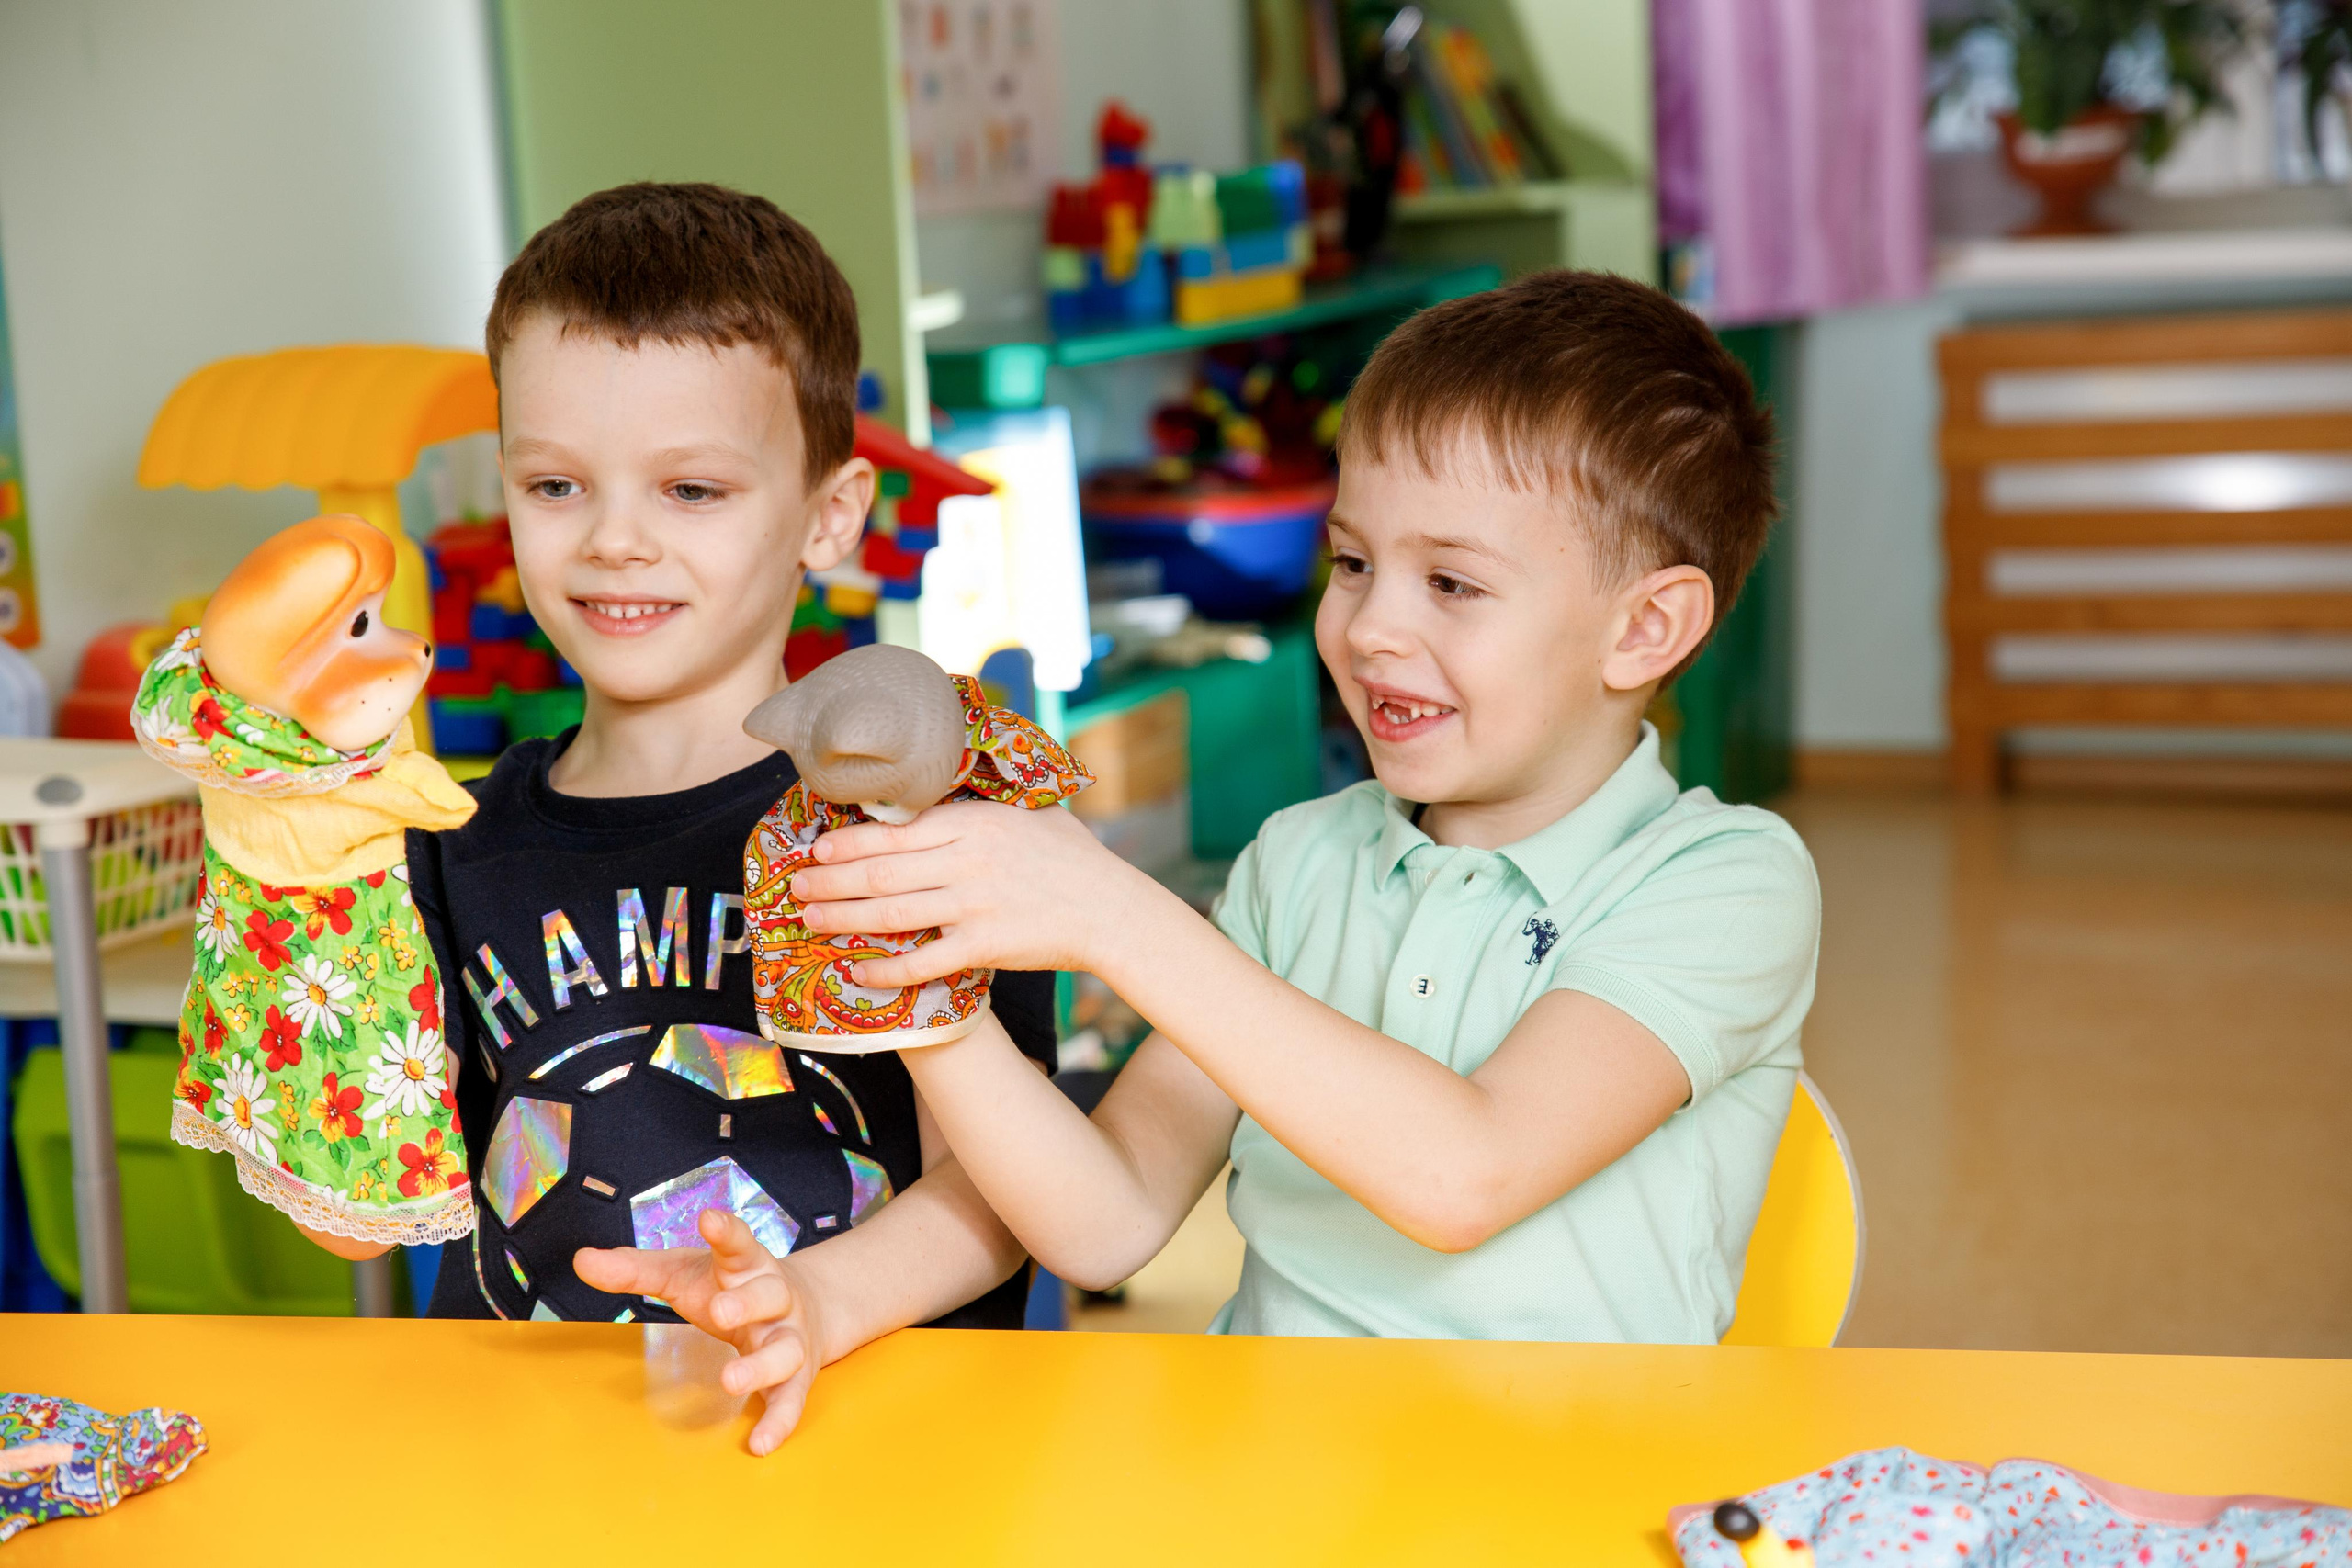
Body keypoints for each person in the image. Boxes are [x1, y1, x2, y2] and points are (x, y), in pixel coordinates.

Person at [789, 270, 1821, 1343]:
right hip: (1285, 1472)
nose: (1369, 626)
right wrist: (906, 974)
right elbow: (1106, 1224)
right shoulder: (1297, 863)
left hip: (1568, 1485)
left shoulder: (1727, 877)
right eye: (1353, 562)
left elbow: (1461, 1177)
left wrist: (1111, 913)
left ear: (1645, 630)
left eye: (1452, 584)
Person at [400, 183, 1059, 1450]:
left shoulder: (923, 822)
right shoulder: (443, 841)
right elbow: (374, 1184)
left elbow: (1010, 1197)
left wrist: (817, 1299)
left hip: (875, 1456)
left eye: (690, 490)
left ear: (828, 515)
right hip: (543, 1473)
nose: (615, 541)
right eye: (556, 485)